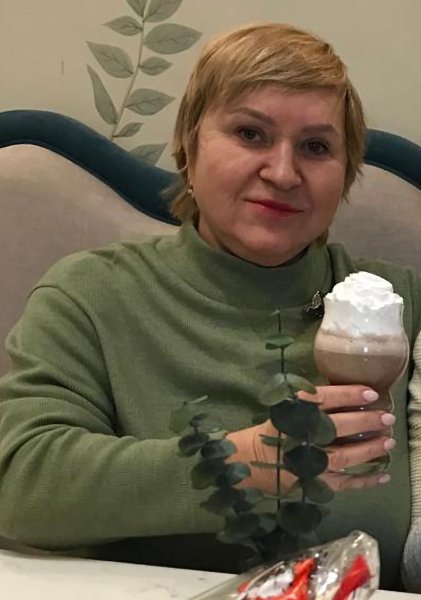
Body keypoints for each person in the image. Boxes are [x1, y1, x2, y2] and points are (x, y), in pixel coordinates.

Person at [0, 22, 419, 591]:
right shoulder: (91, 296)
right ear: (189, 144)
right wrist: (244, 464)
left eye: (316, 147)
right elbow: (23, 485)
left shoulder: (400, 305)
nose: (283, 172)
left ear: (345, 174)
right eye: (250, 133)